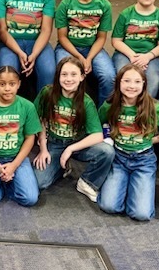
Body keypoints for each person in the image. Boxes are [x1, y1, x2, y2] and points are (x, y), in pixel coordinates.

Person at [97, 64, 159, 221]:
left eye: (137, 81)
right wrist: (107, 137)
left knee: (141, 214)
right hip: (119, 158)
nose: (131, 86)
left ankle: (132, 188)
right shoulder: (110, 105)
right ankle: (123, 186)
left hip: (143, 160)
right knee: (109, 206)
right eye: (126, 81)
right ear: (119, 83)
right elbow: (100, 123)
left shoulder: (152, 106)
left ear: (144, 84)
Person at [33, 57, 114, 200]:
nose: (68, 79)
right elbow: (39, 120)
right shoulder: (47, 93)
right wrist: (43, 149)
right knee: (39, 183)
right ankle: (62, 167)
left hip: (77, 143)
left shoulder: (86, 101)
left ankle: (87, 182)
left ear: (82, 77)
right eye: (64, 74)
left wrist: (70, 149)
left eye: (73, 74)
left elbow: (97, 135)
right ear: (58, 76)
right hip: (54, 143)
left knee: (107, 152)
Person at [0, 66, 42, 207]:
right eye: (2, 84)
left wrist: (13, 166)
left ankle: (6, 179)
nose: (7, 88)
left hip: (18, 158)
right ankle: (4, 179)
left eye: (12, 84)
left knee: (30, 199)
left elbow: (30, 138)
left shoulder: (27, 106)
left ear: (18, 85)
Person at [54, 0, 116, 105]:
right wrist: (79, 57)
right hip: (68, 48)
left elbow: (101, 38)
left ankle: (101, 117)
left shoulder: (104, 5)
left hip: (93, 48)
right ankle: (68, 113)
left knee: (109, 76)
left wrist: (89, 58)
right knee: (64, 75)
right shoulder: (65, 3)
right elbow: (62, 37)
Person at [111, 0, 159, 98]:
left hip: (150, 56)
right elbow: (116, 41)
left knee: (153, 79)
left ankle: (144, 111)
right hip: (126, 54)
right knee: (122, 76)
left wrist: (147, 57)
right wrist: (132, 56)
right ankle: (121, 109)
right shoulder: (126, 14)